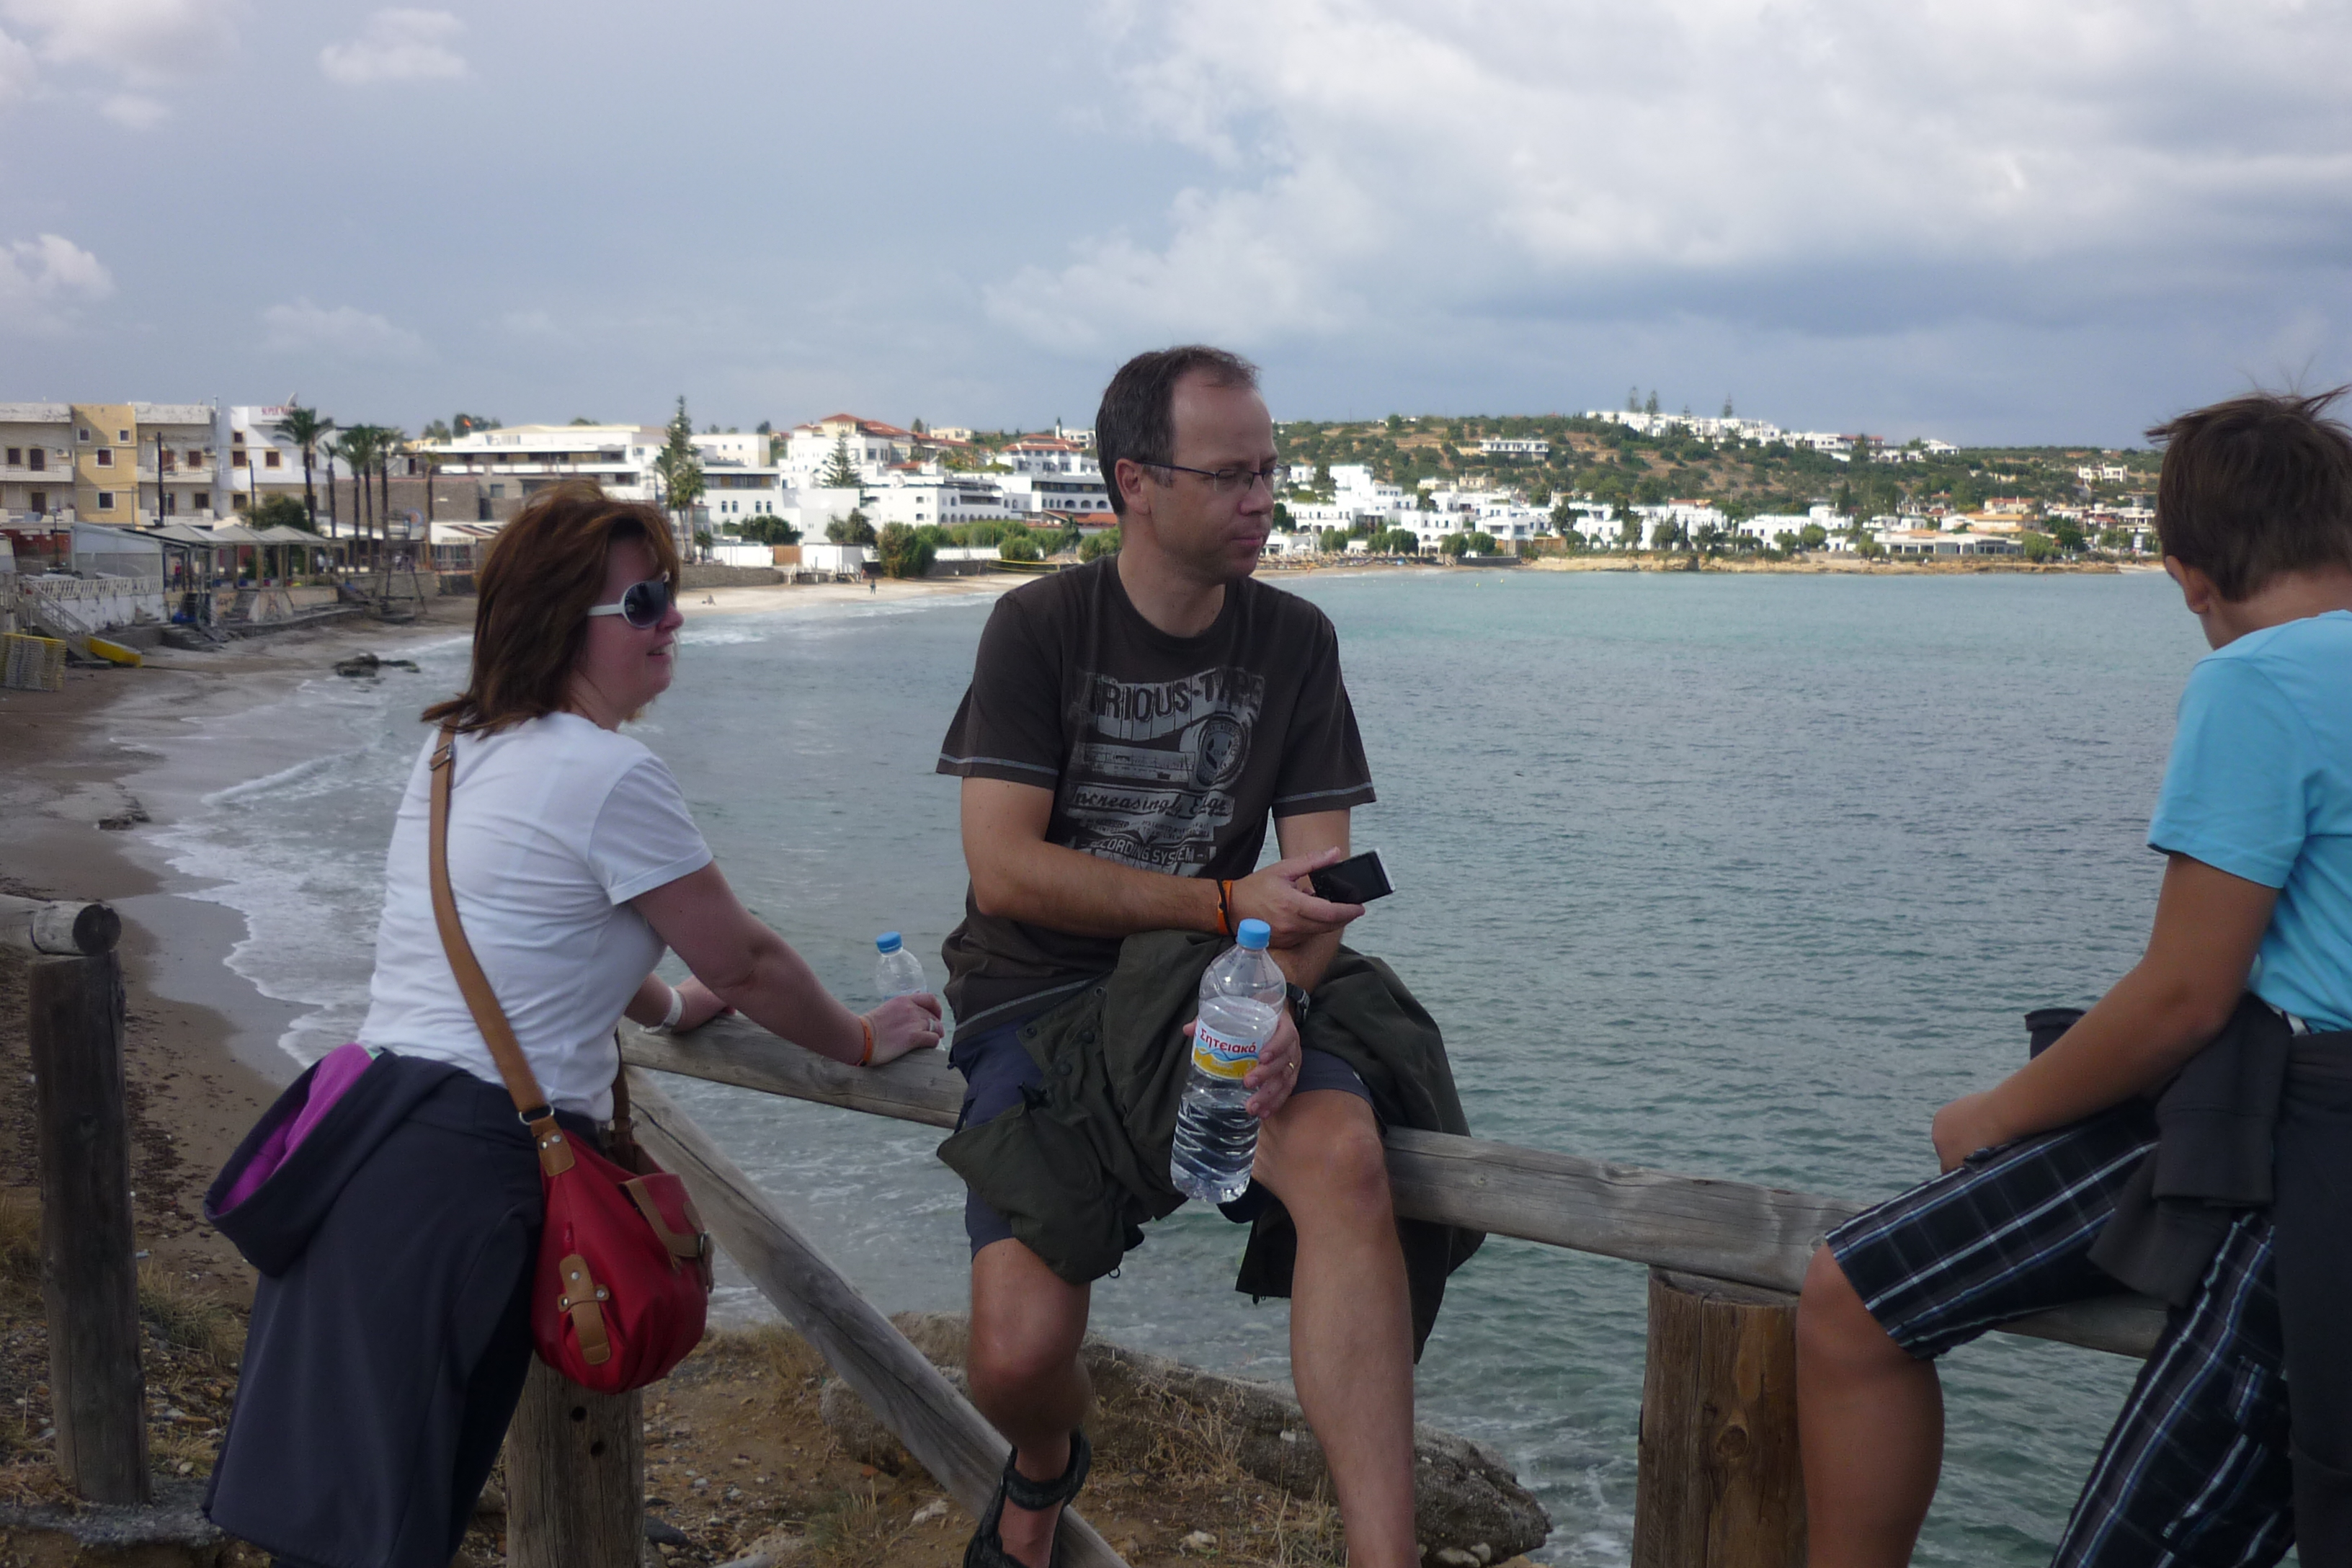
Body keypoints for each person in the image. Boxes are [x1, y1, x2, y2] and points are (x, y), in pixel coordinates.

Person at [204, 481, 943, 1568]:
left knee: (341, 1513)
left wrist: (671, 1008)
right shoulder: (608, 771)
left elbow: (537, 927)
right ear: (562, 622)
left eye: (668, 594)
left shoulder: (453, 750)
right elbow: (745, 959)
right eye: (643, 603)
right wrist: (864, 1041)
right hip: (462, 1174)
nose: (673, 619)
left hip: (366, 1137)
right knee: (386, 1529)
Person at [933, 347, 1478, 1568]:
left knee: (1340, 1149)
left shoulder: (1295, 640)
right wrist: (1224, 900)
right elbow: (1003, 869)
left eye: (1269, 472)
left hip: (1206, 985)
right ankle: (1043, 1462)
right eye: (1229, 475)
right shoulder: (1039, 628)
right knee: (1016, 1357)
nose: (1260, 500)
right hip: (1038, 992)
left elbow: (1322, 883)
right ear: (1136, 481)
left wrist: (1280, 1009)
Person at [1795, 389, 2352, 1567]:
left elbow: (2186, 996)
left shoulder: (2257, 680)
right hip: (2276, 1100)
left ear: (2188, 575)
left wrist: (1992, 1113)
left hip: (2307, 1148)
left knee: (1852, 1294)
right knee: (1861, 1291)